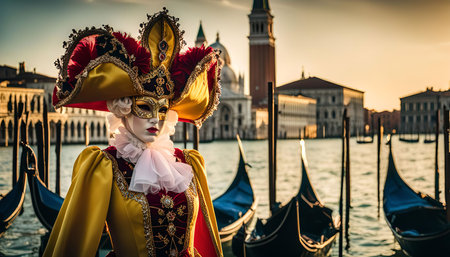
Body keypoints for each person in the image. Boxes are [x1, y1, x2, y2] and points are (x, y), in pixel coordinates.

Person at [43, 8, 223, 257]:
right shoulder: (104, 167)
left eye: (162, 110)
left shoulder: (187, 163)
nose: (155, 120)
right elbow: (75, 246)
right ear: (124, 107)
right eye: (144, 107)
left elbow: (205, 242)